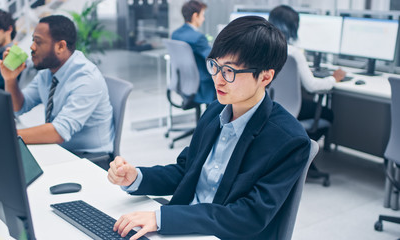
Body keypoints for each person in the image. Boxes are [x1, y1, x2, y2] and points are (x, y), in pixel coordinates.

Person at [107, 16, 311, 240]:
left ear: (265, 76)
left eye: (229, 72)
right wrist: (137, 177)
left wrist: (163, 218)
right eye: (215, 66)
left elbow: (248, 216)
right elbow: (186, 171)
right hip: (187, 227)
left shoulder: (288, 140)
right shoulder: (214, 111)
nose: (218, 80)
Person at [0, 15, 114, 162]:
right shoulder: (48, 72)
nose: (32, 47)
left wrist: (9, 136)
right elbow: (19, 107)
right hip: (60, 150)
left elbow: (59, 132)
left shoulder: (86, 78)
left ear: (60, 46)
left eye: (38, 42)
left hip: (92, 159)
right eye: (33, 40)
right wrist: (10, 79)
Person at [269, 5, 346, 140]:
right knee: (327, 114)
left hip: (269, 106)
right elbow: (312, 86)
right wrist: (334, 78)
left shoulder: (263, 47)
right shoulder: (294, 53)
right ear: (293, 27)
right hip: (290, 110)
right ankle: (301, 150)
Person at [171, 0, 216, 104]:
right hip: (203, 86)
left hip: (184, 83)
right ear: (195, 16)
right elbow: (212, 59)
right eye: (202, 15)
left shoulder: (175, 34)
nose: (203, 19)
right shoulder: (198, 38)